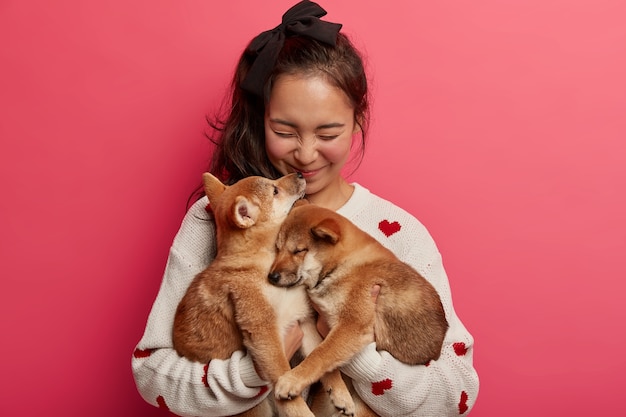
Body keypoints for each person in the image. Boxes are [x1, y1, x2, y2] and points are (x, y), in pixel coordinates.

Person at [131, 1, 479, 416]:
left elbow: (455, 392)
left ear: (357, 121)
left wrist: (353, 352)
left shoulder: (395, 232)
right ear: (261, 120)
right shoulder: (217, 219)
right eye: (285, 131)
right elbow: (151, 370)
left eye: (328, 132)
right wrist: (259, 369)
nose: (306, 153)